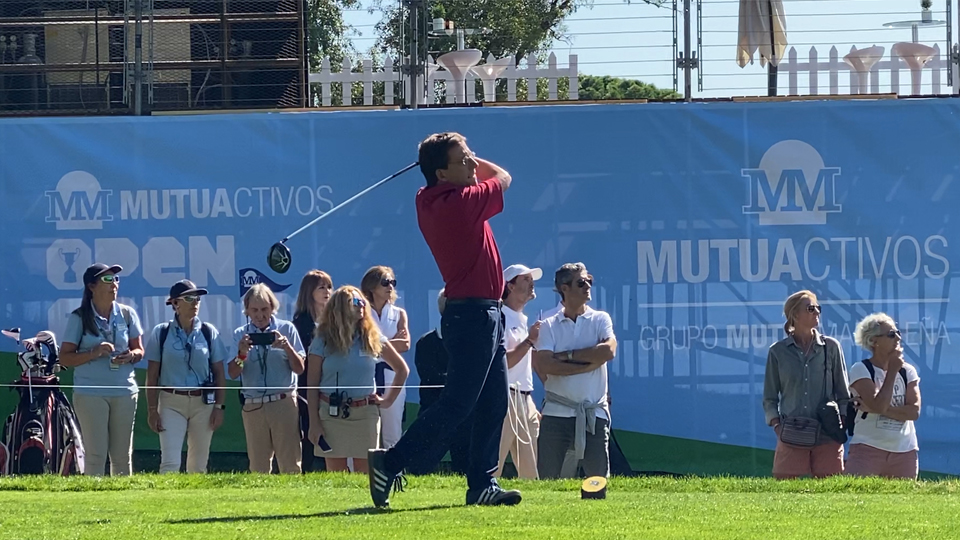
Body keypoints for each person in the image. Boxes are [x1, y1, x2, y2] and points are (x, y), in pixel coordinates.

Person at [368, 131, 521, 508]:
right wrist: (477, 157)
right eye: (463, 159)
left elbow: (474, 175)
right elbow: (503, 177)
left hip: (481, 312)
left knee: (493, 402)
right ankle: (391, 462)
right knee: (458, 403)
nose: (472, 164)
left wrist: (460, 157)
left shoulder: (428, 198)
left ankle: (481, 483)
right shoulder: (460, 202)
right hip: (473, 314)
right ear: (441, 173)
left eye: (470, 157)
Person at [306, 286, 409, 473]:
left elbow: (402, 369)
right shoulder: (322, 340)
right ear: (340, 307)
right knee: (336, 476)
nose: (361, 305)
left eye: (362, 301)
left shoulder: (373, 337)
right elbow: (312, 386)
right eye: (355, 302)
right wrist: (314, 422)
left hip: (365, 413)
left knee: (365, 473)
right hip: (331, 415)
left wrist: (387, 401)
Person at [59, 263, 145, 476]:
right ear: (91, 286)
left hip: (124, 391)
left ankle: (124, 505)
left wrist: (132, 356)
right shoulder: (79, 317)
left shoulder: (127, 314)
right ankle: (91, 504)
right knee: (96, 454)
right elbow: (65, 358)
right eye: (107, 280)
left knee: (122, 455)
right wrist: (93, 353)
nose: (114, 284)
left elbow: (140, 349)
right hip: (90, 392)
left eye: (116, 280)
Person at [533, 263, 617, 479]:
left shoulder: (601, 319)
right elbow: (545, 365)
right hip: (555, 414)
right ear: (564, 288)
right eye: (581, 282)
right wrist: (588, 363)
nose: (587, 285)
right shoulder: (549, 325)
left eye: (589, 279)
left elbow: (608, 351)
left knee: (597, 483)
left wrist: (566, 356)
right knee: (547, 482)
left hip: (593, 415)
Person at [763, 290, 850, 479]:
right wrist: (777, 426)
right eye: (811, 308)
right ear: (795, 315)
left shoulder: (831, 347)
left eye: (818, 308)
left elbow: (843, 393)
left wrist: (841, 420)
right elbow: (769, 397)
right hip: (792, 433)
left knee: (831, 492)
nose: (817, 312)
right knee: (785, 490)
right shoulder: (778, 352)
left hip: (827, 432)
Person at [144, 280, 228, 474]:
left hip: (203, 404)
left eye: (197, 298)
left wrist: (219, 407)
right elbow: (152, 374)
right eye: (189, 298)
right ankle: (165, 504)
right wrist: (151, 410)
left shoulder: (208, 332)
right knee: (170, 463)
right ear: (175, 304)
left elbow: (219, 374)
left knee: (199, 466)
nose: (195, 303)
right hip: (171, 402)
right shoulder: (161, 332)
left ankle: (197, 504)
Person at [228, 283, 306, 474]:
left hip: (283, 402)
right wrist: (241, 354)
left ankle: (293, 502)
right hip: (253, 405)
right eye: (254, 310)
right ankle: (258, 502)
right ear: (246, 310)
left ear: (273, 308)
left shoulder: (287, 329)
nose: (260, 315)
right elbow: (233, 373)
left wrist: (287, 348)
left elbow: (300, 368)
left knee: (290, 463)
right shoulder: (240, 334)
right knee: (258, 466)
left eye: (264, 309)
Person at [846, 313, 921, 479]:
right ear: (874, 341)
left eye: (898, 333)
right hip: (867, 450)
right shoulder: (860, 369)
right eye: (891, 334)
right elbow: (878, 405)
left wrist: (877, 409)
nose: (898, 338)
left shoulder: (908, 370)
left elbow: (914, 412)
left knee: (903, 504)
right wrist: (892, 371)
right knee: (856, 501)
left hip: (904, 452)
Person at [407, 288, 470, 475]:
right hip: (434, 414)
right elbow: (431, 377)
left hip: (466, 417)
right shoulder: (426, 343)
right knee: (419, 469)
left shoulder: (470, 343)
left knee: (466, 471)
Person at [497, 264, 543, 479]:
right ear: (510, 286)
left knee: (530, 471)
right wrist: (529, 341)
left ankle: (535, 509)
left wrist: (530, 402)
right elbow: (503, 362)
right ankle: (482, 498)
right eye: (525, 279)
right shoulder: (500, 317)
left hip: (524, 398)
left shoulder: (523, 320)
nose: (531, 283)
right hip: (504, 397)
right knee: (493, 465)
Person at [361, 266, 411, 449]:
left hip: (392, 375)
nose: (390, 286)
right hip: (366, 374)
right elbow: (360, 345)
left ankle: (393, 473)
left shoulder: (399, 313)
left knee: (393, 432)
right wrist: (391, 343)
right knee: (365, 431)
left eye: (392, 282)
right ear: (372, 286)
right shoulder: (361, 313)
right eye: (385, 282)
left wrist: (375, 344)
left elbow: (405, 344)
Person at [292, 269, 334, 472]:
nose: (327, 291)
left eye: (329, 287)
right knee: (308, 432)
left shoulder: (335, 323)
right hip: (305, 387)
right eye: (321, 287)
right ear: (309, 292)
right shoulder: (300, 324)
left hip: (331, 386)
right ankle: (305, 471)